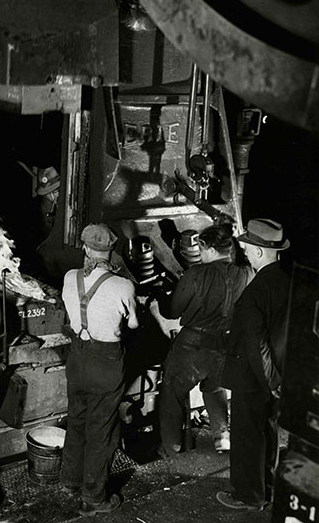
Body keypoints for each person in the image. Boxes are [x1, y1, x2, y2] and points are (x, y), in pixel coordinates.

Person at [60, 223, 139, 517]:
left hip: (77, 359)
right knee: (101, 428)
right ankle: (93, 498)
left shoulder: (69, 278)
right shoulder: (124, 285)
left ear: (84, 248)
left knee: (76, 418)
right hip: (106, 362)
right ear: (112, 252)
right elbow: (132, 325)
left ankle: (69, 480)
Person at [157, 224, 253, 457]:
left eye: (201, 249)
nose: (200, 254)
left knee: (172, 394)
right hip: (225, 344)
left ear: (208, 248)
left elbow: (172, 311)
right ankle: (222, 437)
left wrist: (160, 294)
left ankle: (171, 448)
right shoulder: (246, 273)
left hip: (192, 346)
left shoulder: (196, 274)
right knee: (215, 387)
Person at [216, 218, 290, 511]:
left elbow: (256, 344)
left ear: (259, 252)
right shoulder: (287, 279)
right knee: (267, 432)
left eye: (247, 248)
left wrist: (270, 381)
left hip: (254, 378)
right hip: (279, 372)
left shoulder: (257, 291)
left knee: (247, 436)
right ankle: (267, 487)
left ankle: (247, 495)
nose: (244, 251)